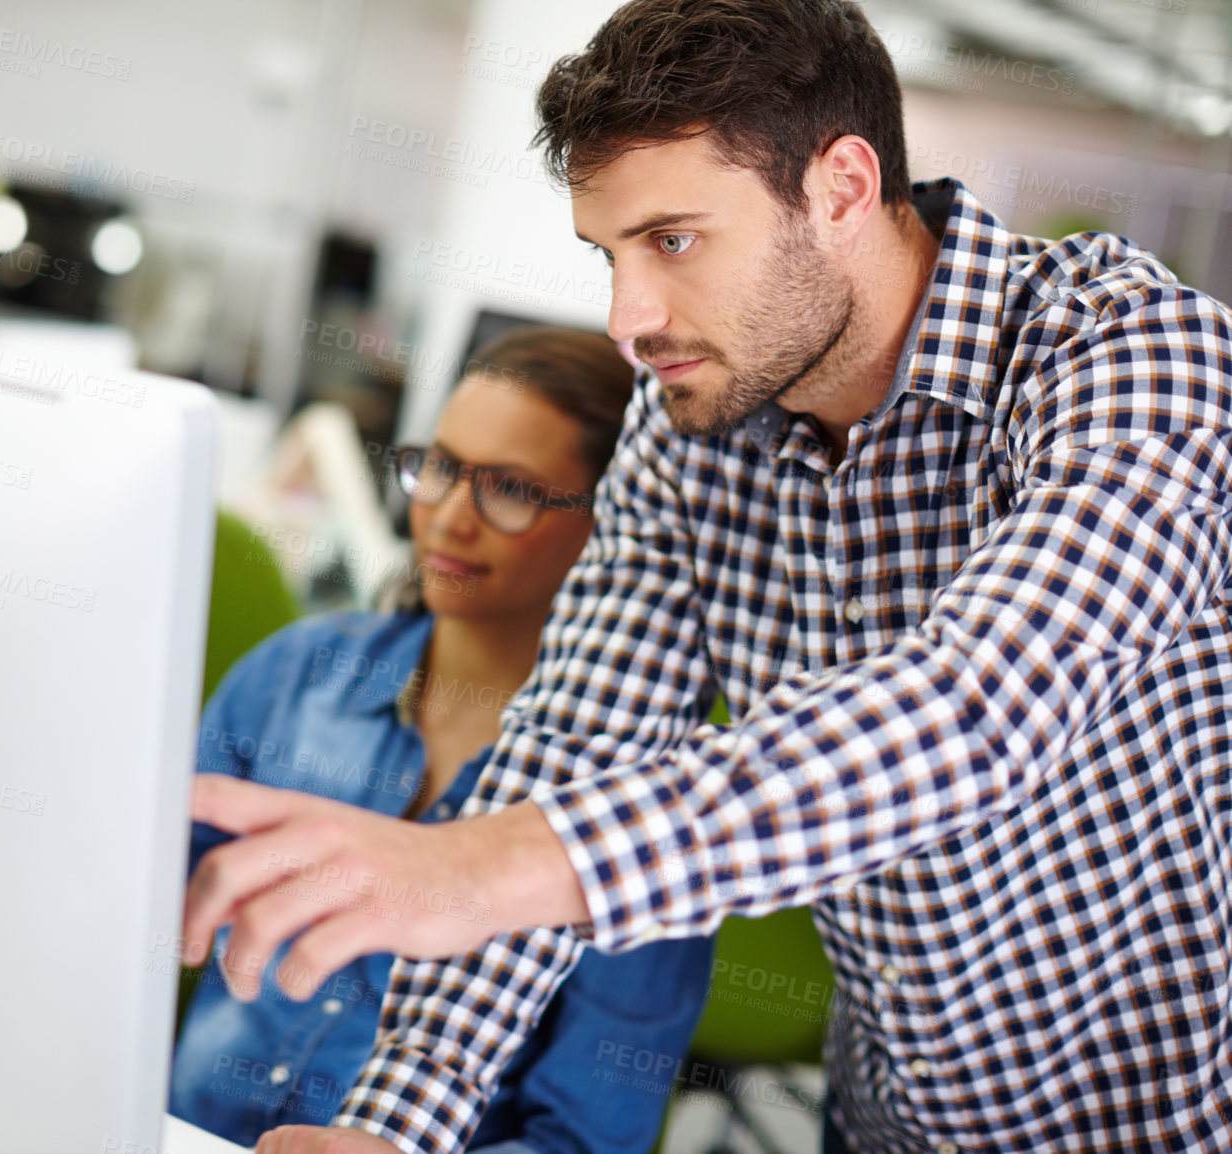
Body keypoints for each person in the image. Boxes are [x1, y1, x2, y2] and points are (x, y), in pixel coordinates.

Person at [179, 1, 1232, 1152]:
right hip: (890, 1117)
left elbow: (975, 710)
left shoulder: (1129, 357)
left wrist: (489, 861)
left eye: (672, 241)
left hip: (1164, 1117)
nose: (628, 320)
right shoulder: (690, 431)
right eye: (609, 254)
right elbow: (572, 747)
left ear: (838, 187)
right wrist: (393, 1125)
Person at [170, 328, 715, 1154]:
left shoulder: (637, 811)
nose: (451, 517)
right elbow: (134, 912)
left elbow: (586, 1137)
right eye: (441, 467)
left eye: (511, 490)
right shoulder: (298, 674)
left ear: (619, 523)